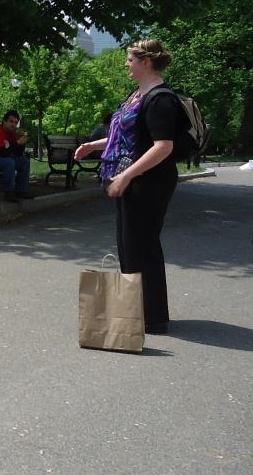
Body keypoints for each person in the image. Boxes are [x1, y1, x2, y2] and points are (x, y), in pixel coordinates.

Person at [74, 39, 180, 335]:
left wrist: (127, 176)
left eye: (130, 59)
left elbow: (163, 147)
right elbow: (124, 136)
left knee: (143, 248)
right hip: (130, 178)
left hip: (148, 182)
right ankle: (137, 310)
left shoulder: (161, 99)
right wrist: (93, 146)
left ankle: (154, 317)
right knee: (129, 248)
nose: (126, 64)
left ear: (146, 62)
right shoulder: (137, 94)